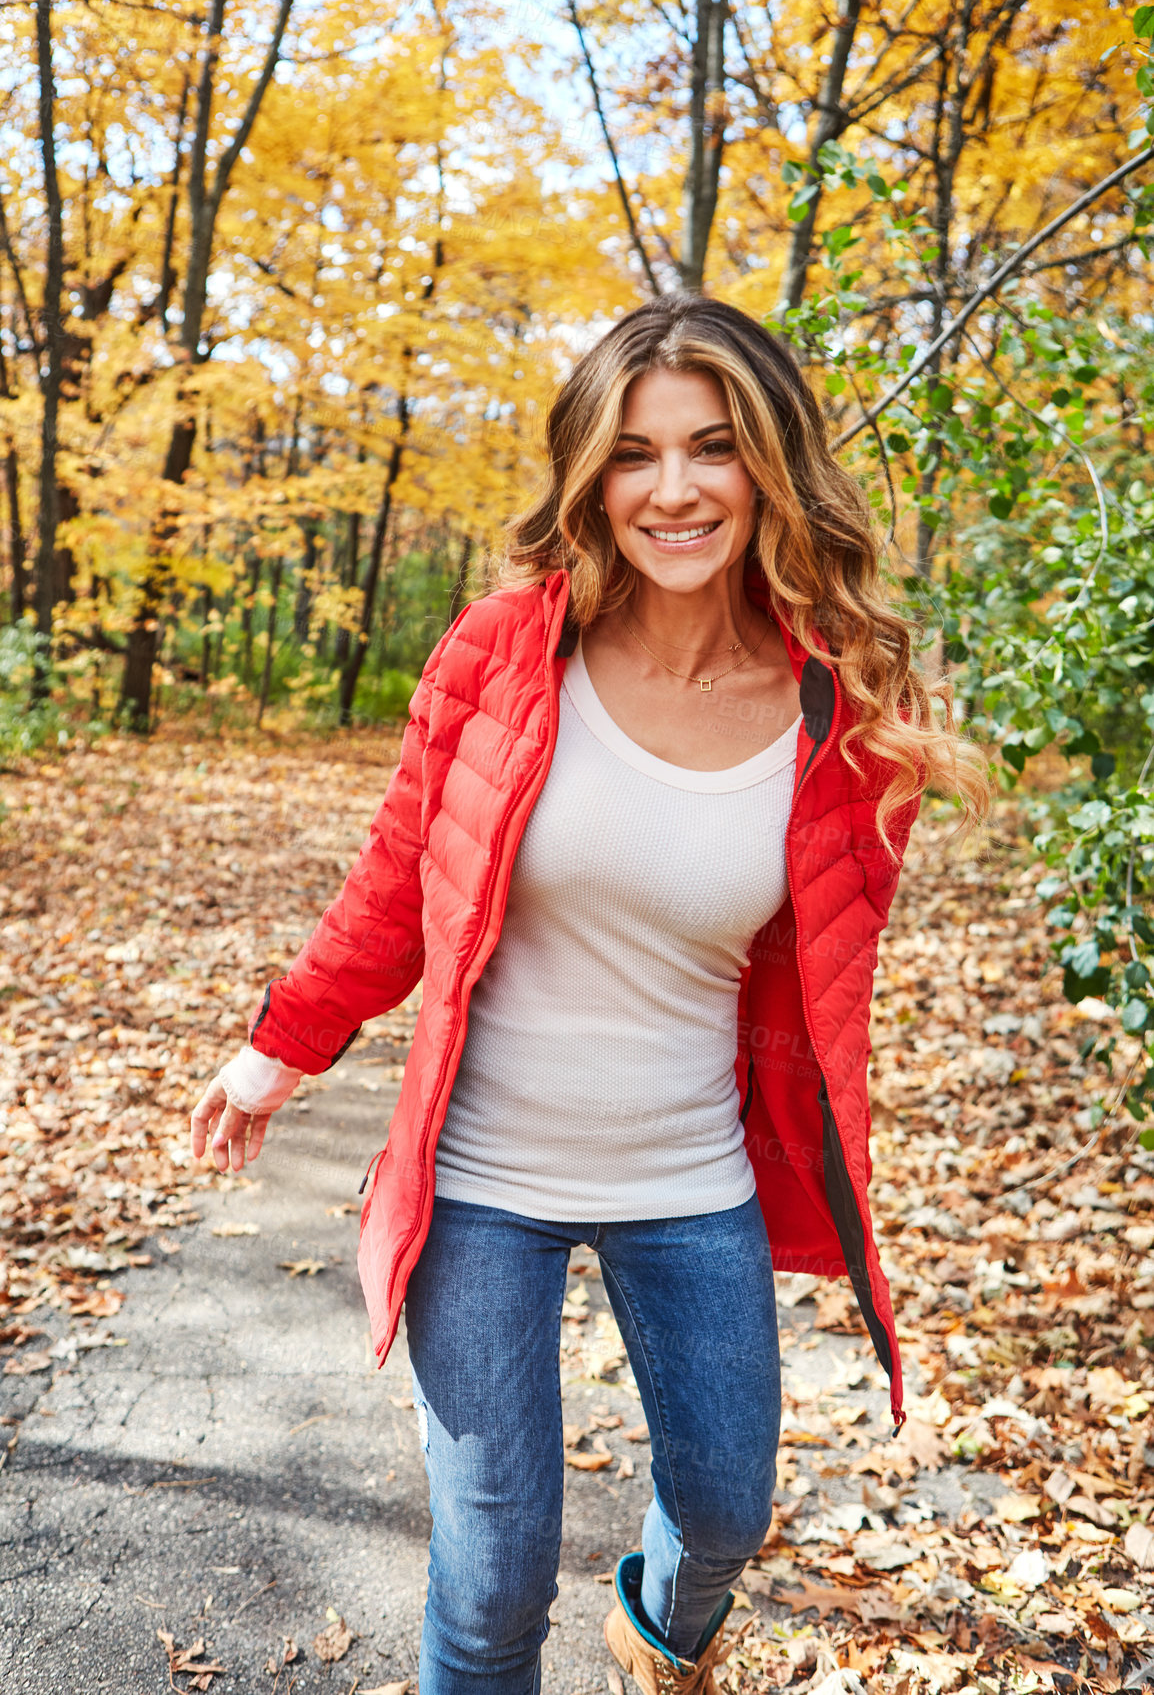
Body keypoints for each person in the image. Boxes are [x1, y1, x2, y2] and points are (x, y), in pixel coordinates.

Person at [190, 295, 986, 1695]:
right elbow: (397, 888)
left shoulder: (838, 710)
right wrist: (279, 1048)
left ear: (769, 467)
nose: (671, 490)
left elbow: (806, 989)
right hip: (484, 1179)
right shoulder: (504, 652)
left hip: (689, 1177)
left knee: (731, 1510)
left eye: (712, 447)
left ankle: (658, 1636)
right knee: (491, 1580)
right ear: (589, 476)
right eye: (632, 454)